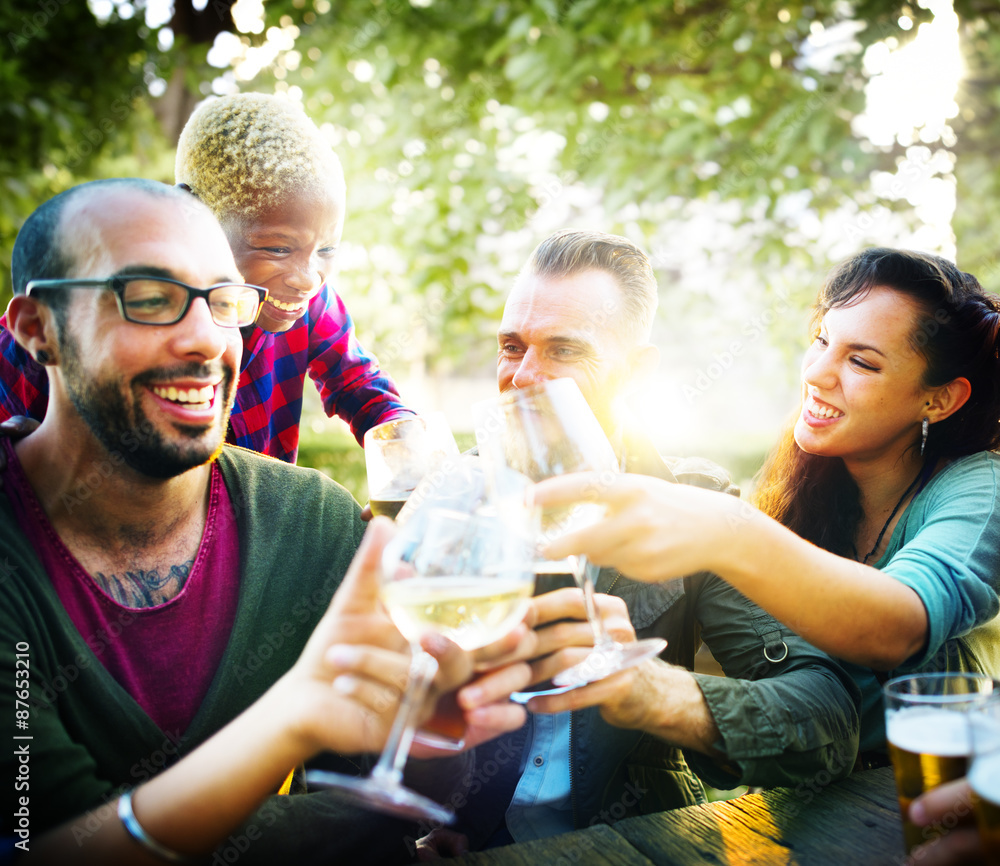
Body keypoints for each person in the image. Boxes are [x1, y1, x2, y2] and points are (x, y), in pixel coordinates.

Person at [0, 178, 527, 864]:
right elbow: (47, 846)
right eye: (151, 300)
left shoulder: (316, 523)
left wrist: (431, 732)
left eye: (224, 303)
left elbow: (399, 791)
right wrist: (297, 724)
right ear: (39, 329)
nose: (205, 340)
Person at [416, 229, 863, 857]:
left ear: (636, 372)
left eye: (564, 350)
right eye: (511, 346)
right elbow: (353, 715)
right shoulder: (445, 502)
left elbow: (825, 722)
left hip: (630, 844)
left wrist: (652, 693)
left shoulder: (696, 506)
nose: (523, 377)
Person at [538, 247, 1000, 755]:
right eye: (822, 340)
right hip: (817, 814)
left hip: (948, 796)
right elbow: (767, 670)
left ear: (939, 399)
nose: (817, 373)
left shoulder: (980, 489)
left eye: (861, 362)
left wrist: (724, 527)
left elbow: (897, 629)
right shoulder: (808, 487)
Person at [0, 92, 413, 463]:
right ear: (192, 211)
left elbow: (359, 386)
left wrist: (410, 449)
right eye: (278, 249)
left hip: (247, 532)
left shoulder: (309, 307)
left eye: (326, 250)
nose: (308, 278)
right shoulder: (103, 306)